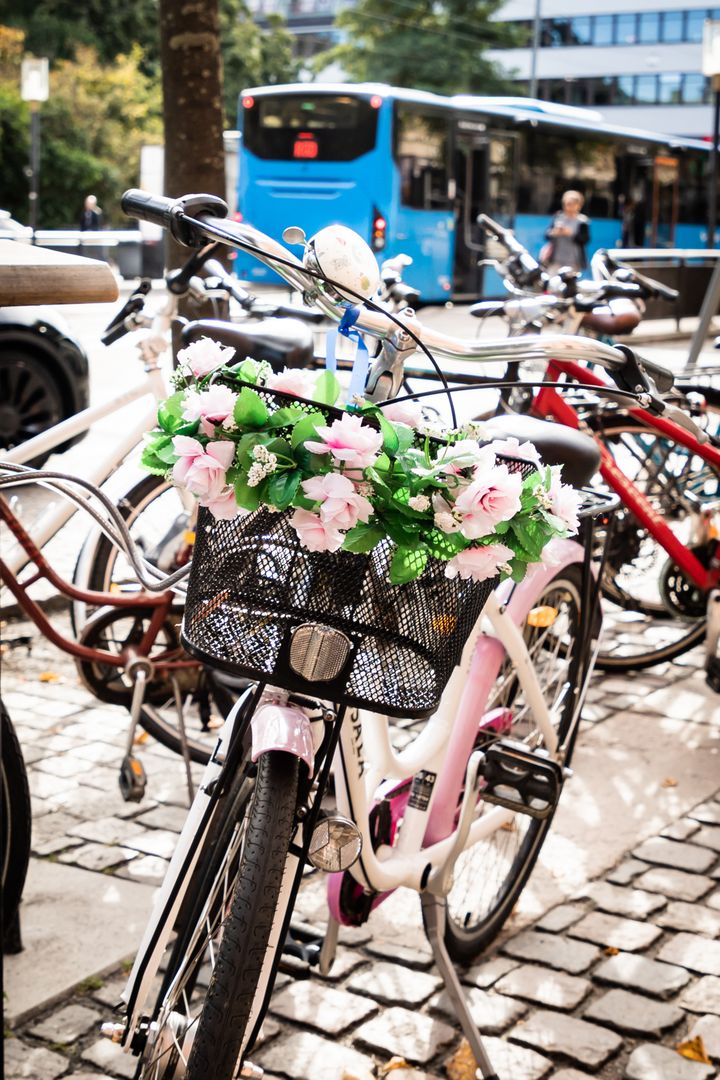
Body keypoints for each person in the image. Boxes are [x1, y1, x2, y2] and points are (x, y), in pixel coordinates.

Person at [541, 190, 590, 274]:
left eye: (572, 204)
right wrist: (554, 232)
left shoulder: (582, 221)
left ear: (579, 205)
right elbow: (546, 235)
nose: (569, 207)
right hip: (555, 260)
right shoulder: (558, 217)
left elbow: (585, 240)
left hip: (573, 261)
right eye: (567, 204)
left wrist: (571, 234)